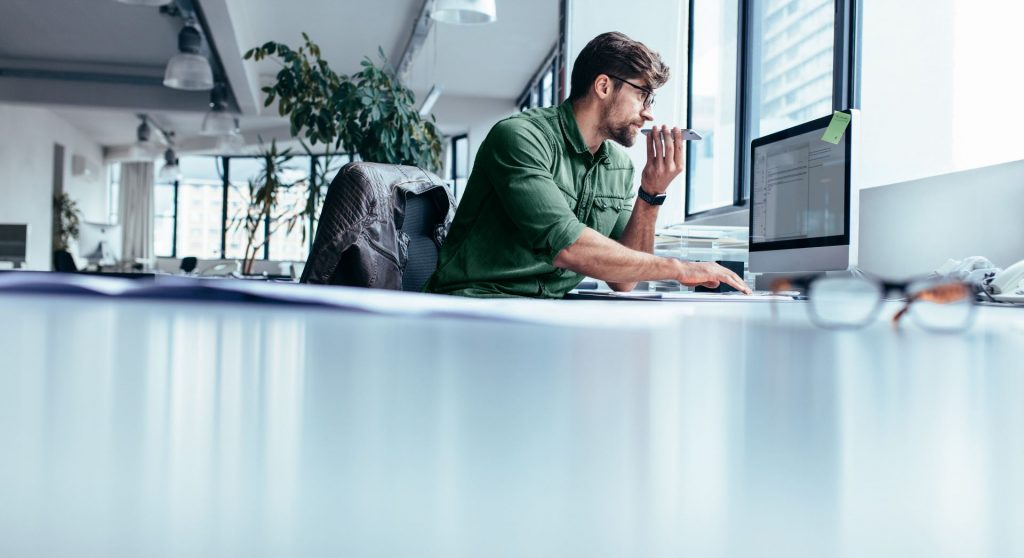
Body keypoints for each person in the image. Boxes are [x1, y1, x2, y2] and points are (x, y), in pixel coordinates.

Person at [424, 31, 751, 298]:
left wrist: (652, 193)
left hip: (543, 310)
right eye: (643, 96)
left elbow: (624, 282)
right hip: (476, 300)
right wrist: (681, 269)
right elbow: (568, 247)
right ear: (604, 86)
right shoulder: (520, 138)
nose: (649, 112)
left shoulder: (619, 167)